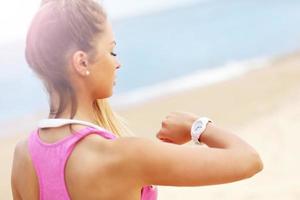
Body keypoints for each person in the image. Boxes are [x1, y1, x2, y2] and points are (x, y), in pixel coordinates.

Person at [11, 0, 263, 199]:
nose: (117, 62)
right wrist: (196, 126)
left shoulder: (24, 156)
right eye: (111, 50)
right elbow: (249, 160)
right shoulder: (126, 155)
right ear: (82, 62)